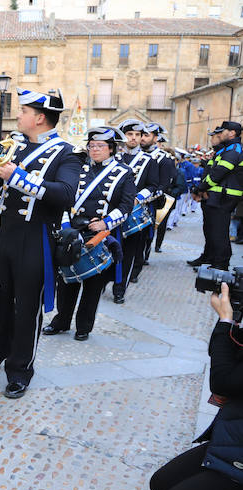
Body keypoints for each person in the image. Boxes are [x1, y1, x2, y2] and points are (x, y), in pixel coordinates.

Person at [0, 88, 81, 399]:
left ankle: (20, 368)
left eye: (23, 112)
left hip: (35, 237)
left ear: (39, 118)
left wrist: (17, 176)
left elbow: (65, 193)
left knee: (26, 307)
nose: (18, 116)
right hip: (2, 234)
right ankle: (1, 347)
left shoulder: (68, 153)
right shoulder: (15, 147)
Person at [149, 282, 243, 490]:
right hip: (233, 440)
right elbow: (225, 354)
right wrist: (229, 324)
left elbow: (224, 380)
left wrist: (225, 320)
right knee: (160, 484)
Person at [43, 126, 135, 340]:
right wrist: (65, 225)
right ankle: (61, 321)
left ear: (111, 149)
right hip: (72, 230)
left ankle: (84, 326)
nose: (94, 150)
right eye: (91, 146)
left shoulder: (124, 172)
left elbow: (126, 206)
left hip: (98, 234)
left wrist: (106, 223)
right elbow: (64, 198)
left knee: (93, 284)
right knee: (66, 281)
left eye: (100, 146)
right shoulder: (79, 168)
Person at [111, 118, 159, 304]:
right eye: (130, 134)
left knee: (129, 252)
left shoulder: (148, 160)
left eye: (137, 135)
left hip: (134, 212)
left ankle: (120, 288)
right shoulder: (115, 158)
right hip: (113, 212)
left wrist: (138, 198)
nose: (133, 138)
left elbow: (153, 185)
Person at [188, 121, 243, 271]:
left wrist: (200, 188)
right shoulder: (229, 149)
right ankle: (212, 259)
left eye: (223, 131)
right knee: (213, 231)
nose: (220, 133)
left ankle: (221, 265)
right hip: (218, 196)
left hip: (224, 198)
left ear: (231, 133)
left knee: (219, 233)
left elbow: (217, 174)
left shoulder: (234, 150)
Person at [139, 124, 173, 270]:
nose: (142, 138)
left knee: (146, 235)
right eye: (142, 135)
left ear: (155, 138)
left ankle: (141, 260)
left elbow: (163, 184)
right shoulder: (134, 156)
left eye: (146, 135)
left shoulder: (164, 159)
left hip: (149, 203)